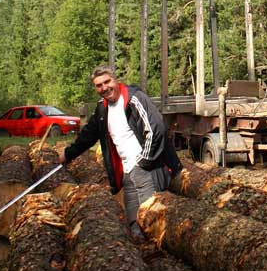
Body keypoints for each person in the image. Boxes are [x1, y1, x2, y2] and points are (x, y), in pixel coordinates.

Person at [59, 65, 182, 239]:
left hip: (147, 169)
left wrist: (143, 162)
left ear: (115, 80)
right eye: (99, 85)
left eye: (107, 82)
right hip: (127, 172)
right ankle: (140, 259)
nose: (104, 88)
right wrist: (67, 154)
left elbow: (156, 129)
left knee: (151, 220)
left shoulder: (134, 99)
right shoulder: (103, 108)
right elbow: (88, 135)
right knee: (134, 224)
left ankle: (160, 260)